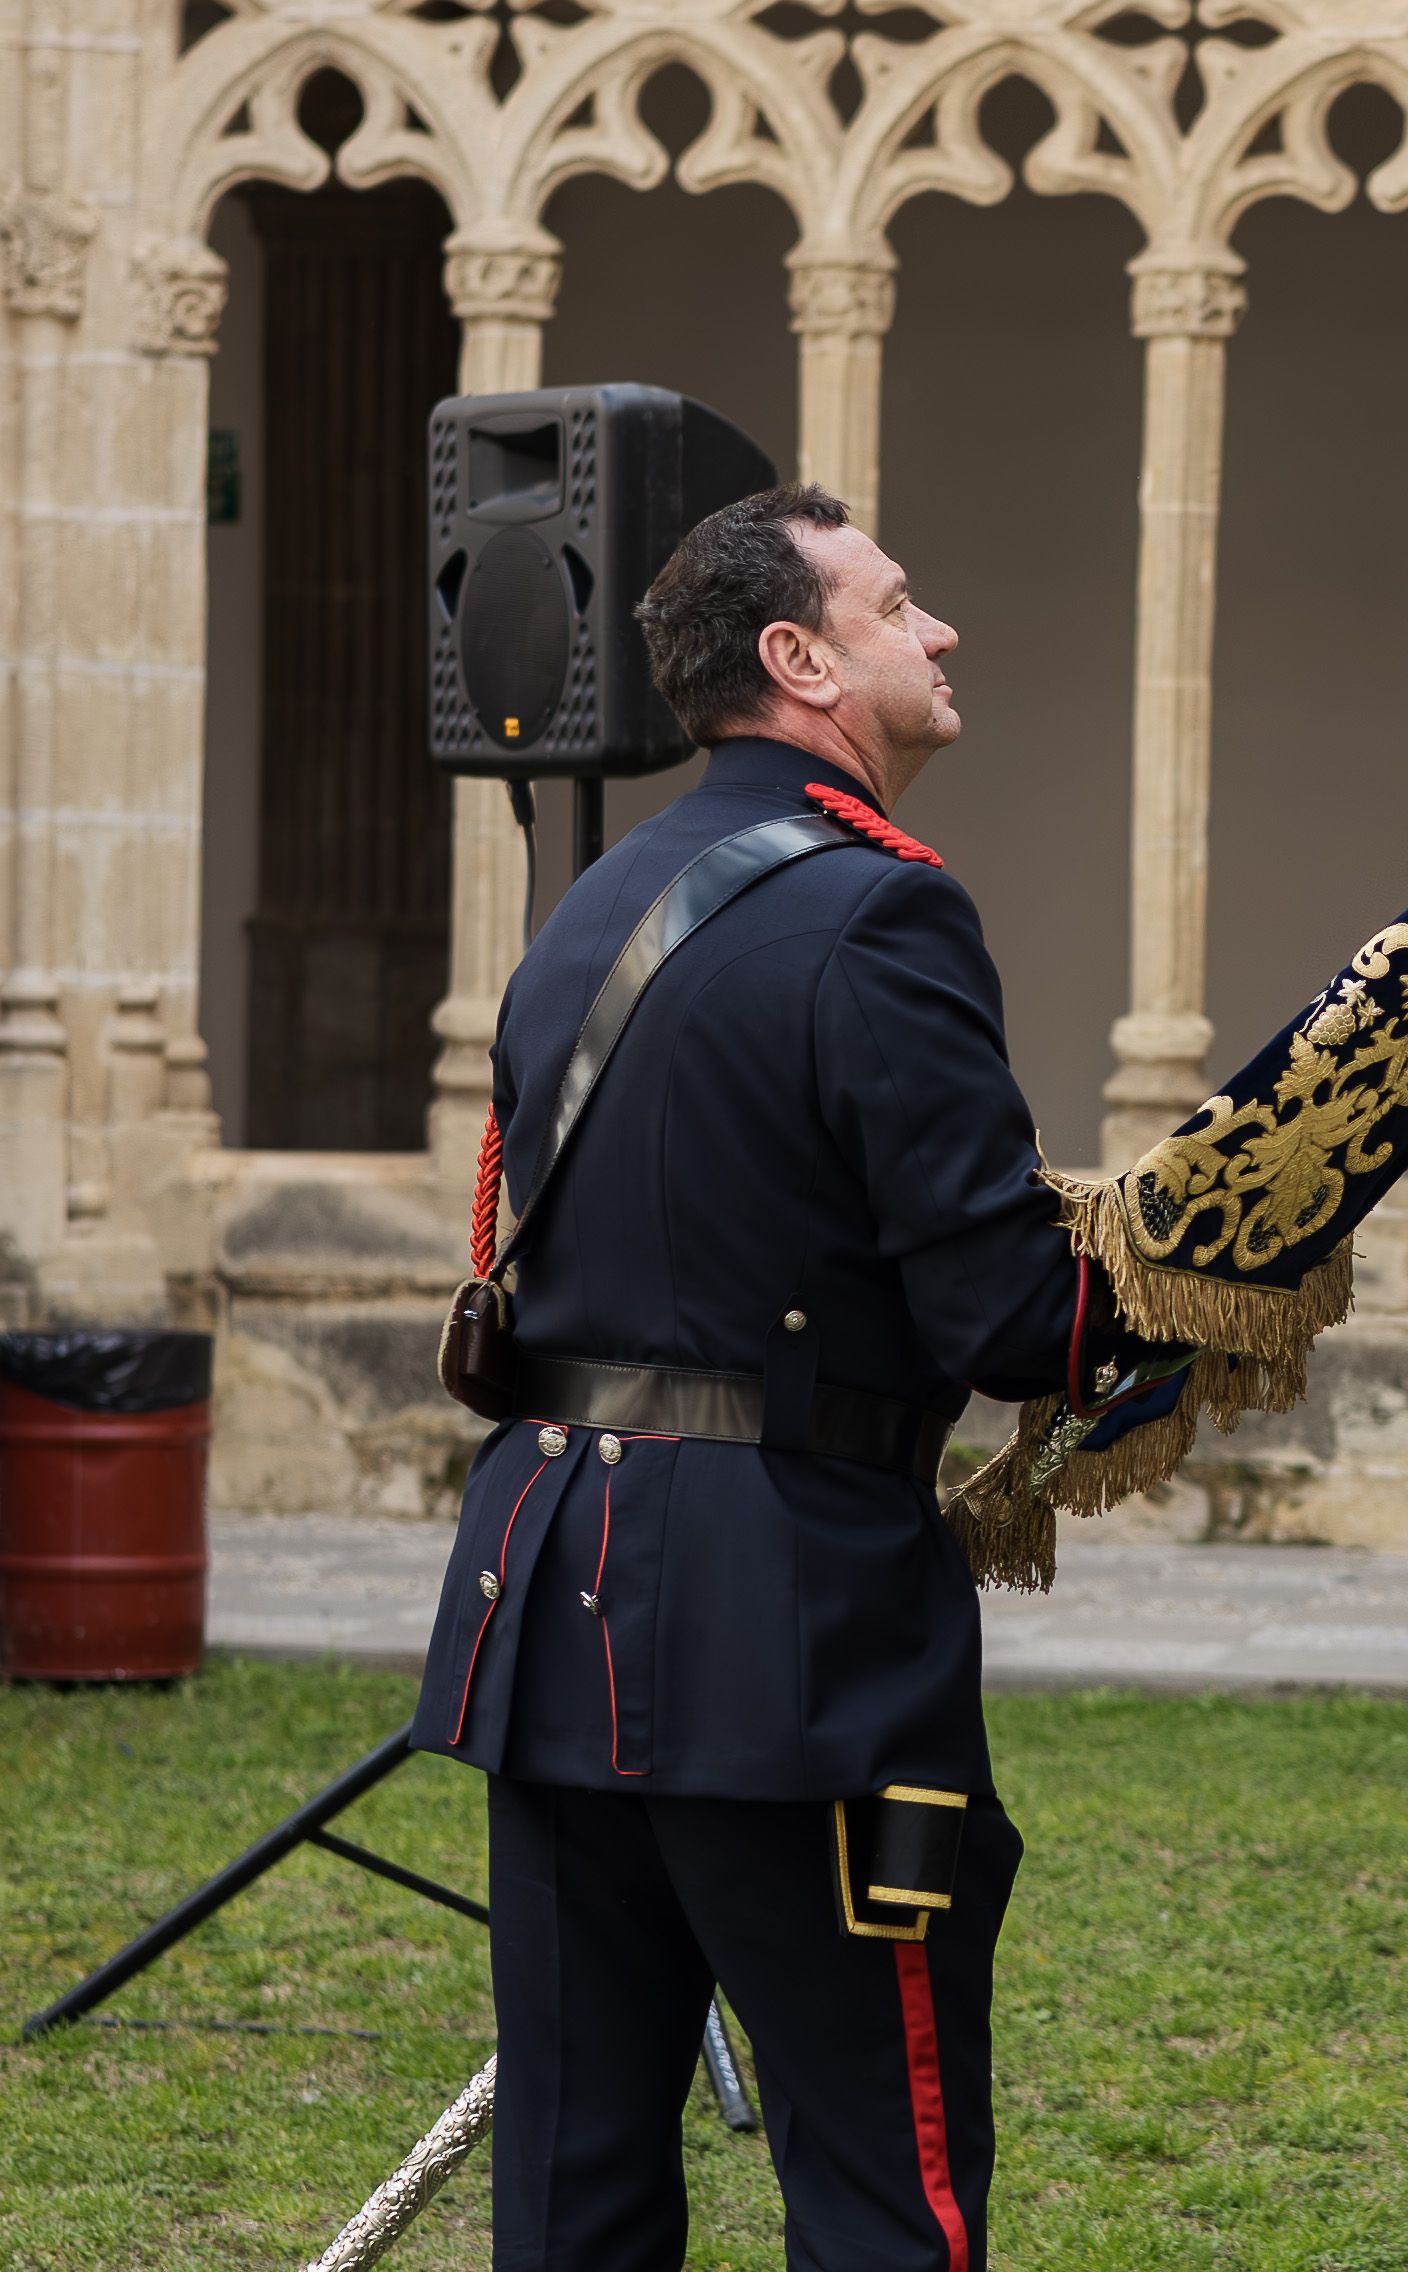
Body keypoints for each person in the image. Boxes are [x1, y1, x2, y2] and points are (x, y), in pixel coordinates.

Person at [411, 485, 1176, 2270]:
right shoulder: (884, 915)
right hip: (786, 1626)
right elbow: (1005, 1316)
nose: (941, 629)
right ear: (799, 658)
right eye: (900, 604)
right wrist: (1196, 1280)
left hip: (554, 1608)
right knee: (875, 2188)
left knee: (576, 2193)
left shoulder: (592, 903)